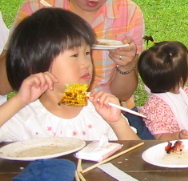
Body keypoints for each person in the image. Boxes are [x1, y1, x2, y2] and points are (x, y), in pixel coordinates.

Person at [0, 0, 149, 137]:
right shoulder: (37, 8)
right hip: (48, 116)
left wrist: (127, 64)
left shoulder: (128, 12)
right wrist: (34, 43)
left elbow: (123, 94)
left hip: (107, 114)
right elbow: (3, 85)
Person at [0, 8, 140, 141]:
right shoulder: (23, 115)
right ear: (36, 63)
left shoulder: (98, 111)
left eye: (87, 53)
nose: (86, 63)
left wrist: (117, 122)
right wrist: (19, 101)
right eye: (74, 55)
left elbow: (137, 153)